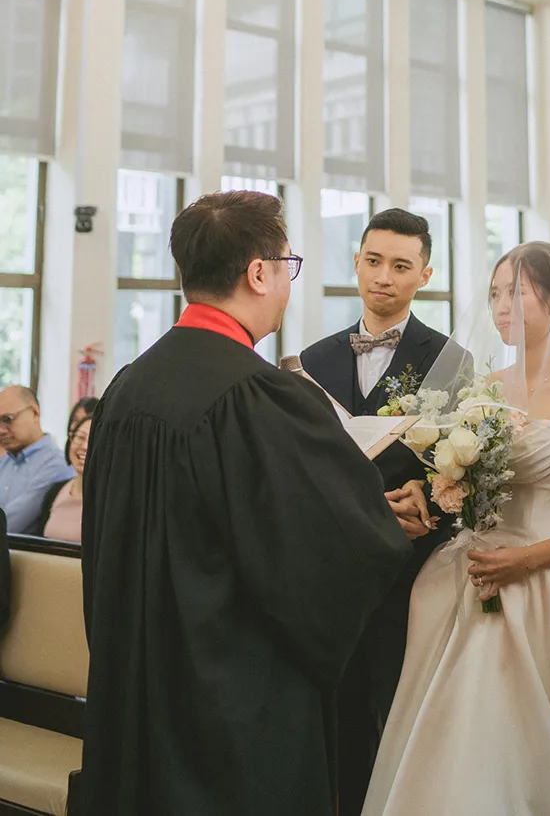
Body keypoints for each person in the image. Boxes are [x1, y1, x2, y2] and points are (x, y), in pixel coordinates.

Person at [72, 191, 410, 816]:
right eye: (289, 264)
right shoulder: (257, 397)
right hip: (229, 699)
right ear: (259, 273)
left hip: (135, 679)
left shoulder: (126, 389)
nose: (288, 281)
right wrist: (383, 520)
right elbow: (324, 554)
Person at [362, 242, 550, 816]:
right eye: (496, 293)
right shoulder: (482, 385)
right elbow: (467, 482)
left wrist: (528, 560)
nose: (501, 306)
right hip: (471, 574)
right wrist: (433, 491)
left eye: (516, 292)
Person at [300, 208, 454, 816]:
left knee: (400, 712)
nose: (383, 277)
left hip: (410, 572)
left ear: (424, 274)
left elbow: (469, 475)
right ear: (356, 262)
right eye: (372, 261)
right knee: (332, 717)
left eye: (400, 265)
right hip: (329, 573)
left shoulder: (450, 359)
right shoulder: (312, 359)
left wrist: (431, 506)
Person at [0, 386, 74, 532]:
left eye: (7, 419)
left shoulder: (56, 464)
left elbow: (11, 523)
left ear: (35, 413)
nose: (1, 430)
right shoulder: (5, 462)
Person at [34, 415, 91, 542]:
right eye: (80, 437)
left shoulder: (112, 500)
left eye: (94, 440)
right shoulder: (55, 490)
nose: (85, 446)